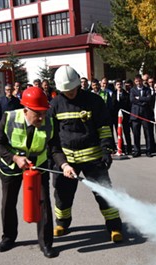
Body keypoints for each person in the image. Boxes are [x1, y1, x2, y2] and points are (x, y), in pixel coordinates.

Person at [50, 65, 123, 242]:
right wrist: (61, 162)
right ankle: (63, 222)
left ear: (79, 84)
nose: (70, 93)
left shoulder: (94, 101)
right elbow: (52, 138)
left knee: (104, 193)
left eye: (72, 89)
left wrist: (107, 150)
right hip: (67, 160)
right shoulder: (55, 105)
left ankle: (114, 226)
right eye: (66, 91)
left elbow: (104, 128)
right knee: (62, 193)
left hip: (93, 157)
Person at [0, 87, 64, 258]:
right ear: (25, 110)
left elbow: (55, 149)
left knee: (44, 203)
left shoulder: (50, 122)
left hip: (37, 166)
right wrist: (14, 158)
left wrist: (64, 165)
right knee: (8, 202)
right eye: (37, 113)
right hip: (11, 166)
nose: (41, 117)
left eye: (43, 112)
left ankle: (45, 243)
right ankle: (8, 237)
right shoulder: (9, 117)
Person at [129, 75, 154, 157]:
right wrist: (142, 101)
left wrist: (139, 98)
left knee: (148, 133)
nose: (138, 83)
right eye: (136, 81)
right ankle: (137, 151)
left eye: (139, 81)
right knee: (136, 134)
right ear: (135, 82)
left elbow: (149, 99)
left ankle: (149, 150)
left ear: (142, 81)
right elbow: (132, 100)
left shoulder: (147, 89)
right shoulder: (132, 90)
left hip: (145, 115)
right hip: (135, 115)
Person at [111, 79, 132, 154]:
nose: (119, 86)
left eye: (120, 84)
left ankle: (129, 149)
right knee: (119, 133)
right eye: (117, 85)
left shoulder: (126, 94)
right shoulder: (113, 94)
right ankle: (121, 148)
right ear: (115, 86)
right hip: (116, 117)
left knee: (127, 132)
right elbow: (112, 105)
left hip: (125, 117)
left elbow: (128, 105)